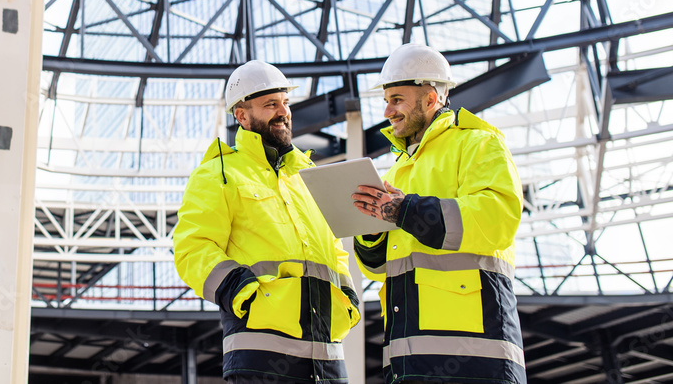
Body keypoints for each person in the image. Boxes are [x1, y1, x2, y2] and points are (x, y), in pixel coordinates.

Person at [174, 59, 361, 383]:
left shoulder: (307, 176)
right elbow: (192, 248)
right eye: (270, 104)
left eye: (285, 103)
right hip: (260, 352)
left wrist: (347, 298)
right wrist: (240, 291)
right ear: (242, 115)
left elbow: (333, 247)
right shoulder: (218, 174)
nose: (283, 111)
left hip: (328, 353)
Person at [350, 44, 526, 384]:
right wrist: (371, 229)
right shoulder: (398, 170)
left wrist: (407, 210)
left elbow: (497, 218)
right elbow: (377, 269)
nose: (387, 111)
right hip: (406, 356)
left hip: (477, 353)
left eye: (397, 99)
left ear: (430, 99)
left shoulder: (478, 142)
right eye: (386, 100)